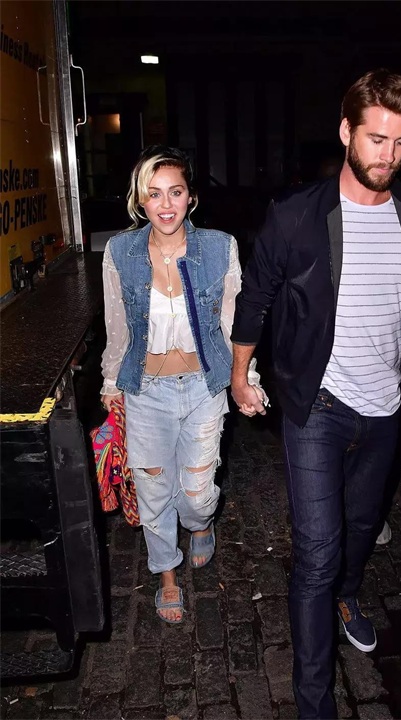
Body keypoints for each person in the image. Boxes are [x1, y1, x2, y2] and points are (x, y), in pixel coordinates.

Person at [230, 69, 401, 719]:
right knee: (317, 553)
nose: (388, 155)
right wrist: (241, 375)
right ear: (347, 132)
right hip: (316, 407)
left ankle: (349, 595)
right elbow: (256, 298)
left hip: (387, 410)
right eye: (377, 139)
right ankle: (314, 702)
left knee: (358, 527)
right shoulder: (297, 215)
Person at [100, 145, 245, 624]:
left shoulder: (220, 247)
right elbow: (116, 326)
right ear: (140, 199)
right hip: (145, 390)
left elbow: (233, 322)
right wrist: (110, 381)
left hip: (204, 387)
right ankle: (166, 574)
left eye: (175, 192)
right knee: (153, 490)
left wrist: (247, 379)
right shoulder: (120, 252)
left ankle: (202, 524)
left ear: (191, 197)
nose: (165, 204)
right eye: (154, 193)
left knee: (197, 494)